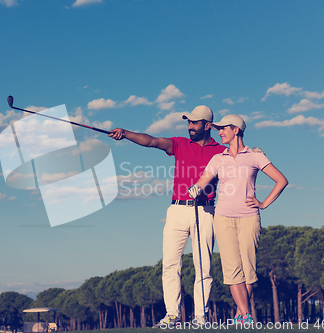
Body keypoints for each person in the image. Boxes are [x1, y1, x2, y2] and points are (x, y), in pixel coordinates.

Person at [109, 106, 226, 326]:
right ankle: (172, 314)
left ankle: (200, 317)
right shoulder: (180, 144)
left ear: (207, 125)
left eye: (194, 122)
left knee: (204, 266)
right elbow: (151, 141)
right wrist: (125, 133)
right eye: (188, 122)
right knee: (171, 264)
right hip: (177, 210)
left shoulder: (221, 151)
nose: (190, 126)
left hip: (206, 210)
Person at [188, 114, 288, 325]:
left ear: (236, 129)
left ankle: (240, 315)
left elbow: (281, 180)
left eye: (223, 128)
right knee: (232, 270)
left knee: (248, 269)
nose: (219, 132)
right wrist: (195, 189)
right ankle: (246, 315)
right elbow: (204, 178)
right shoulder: (218, 159)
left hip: (249, 218)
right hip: (223, 218)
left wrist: (263, 203)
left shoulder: (255, 156)